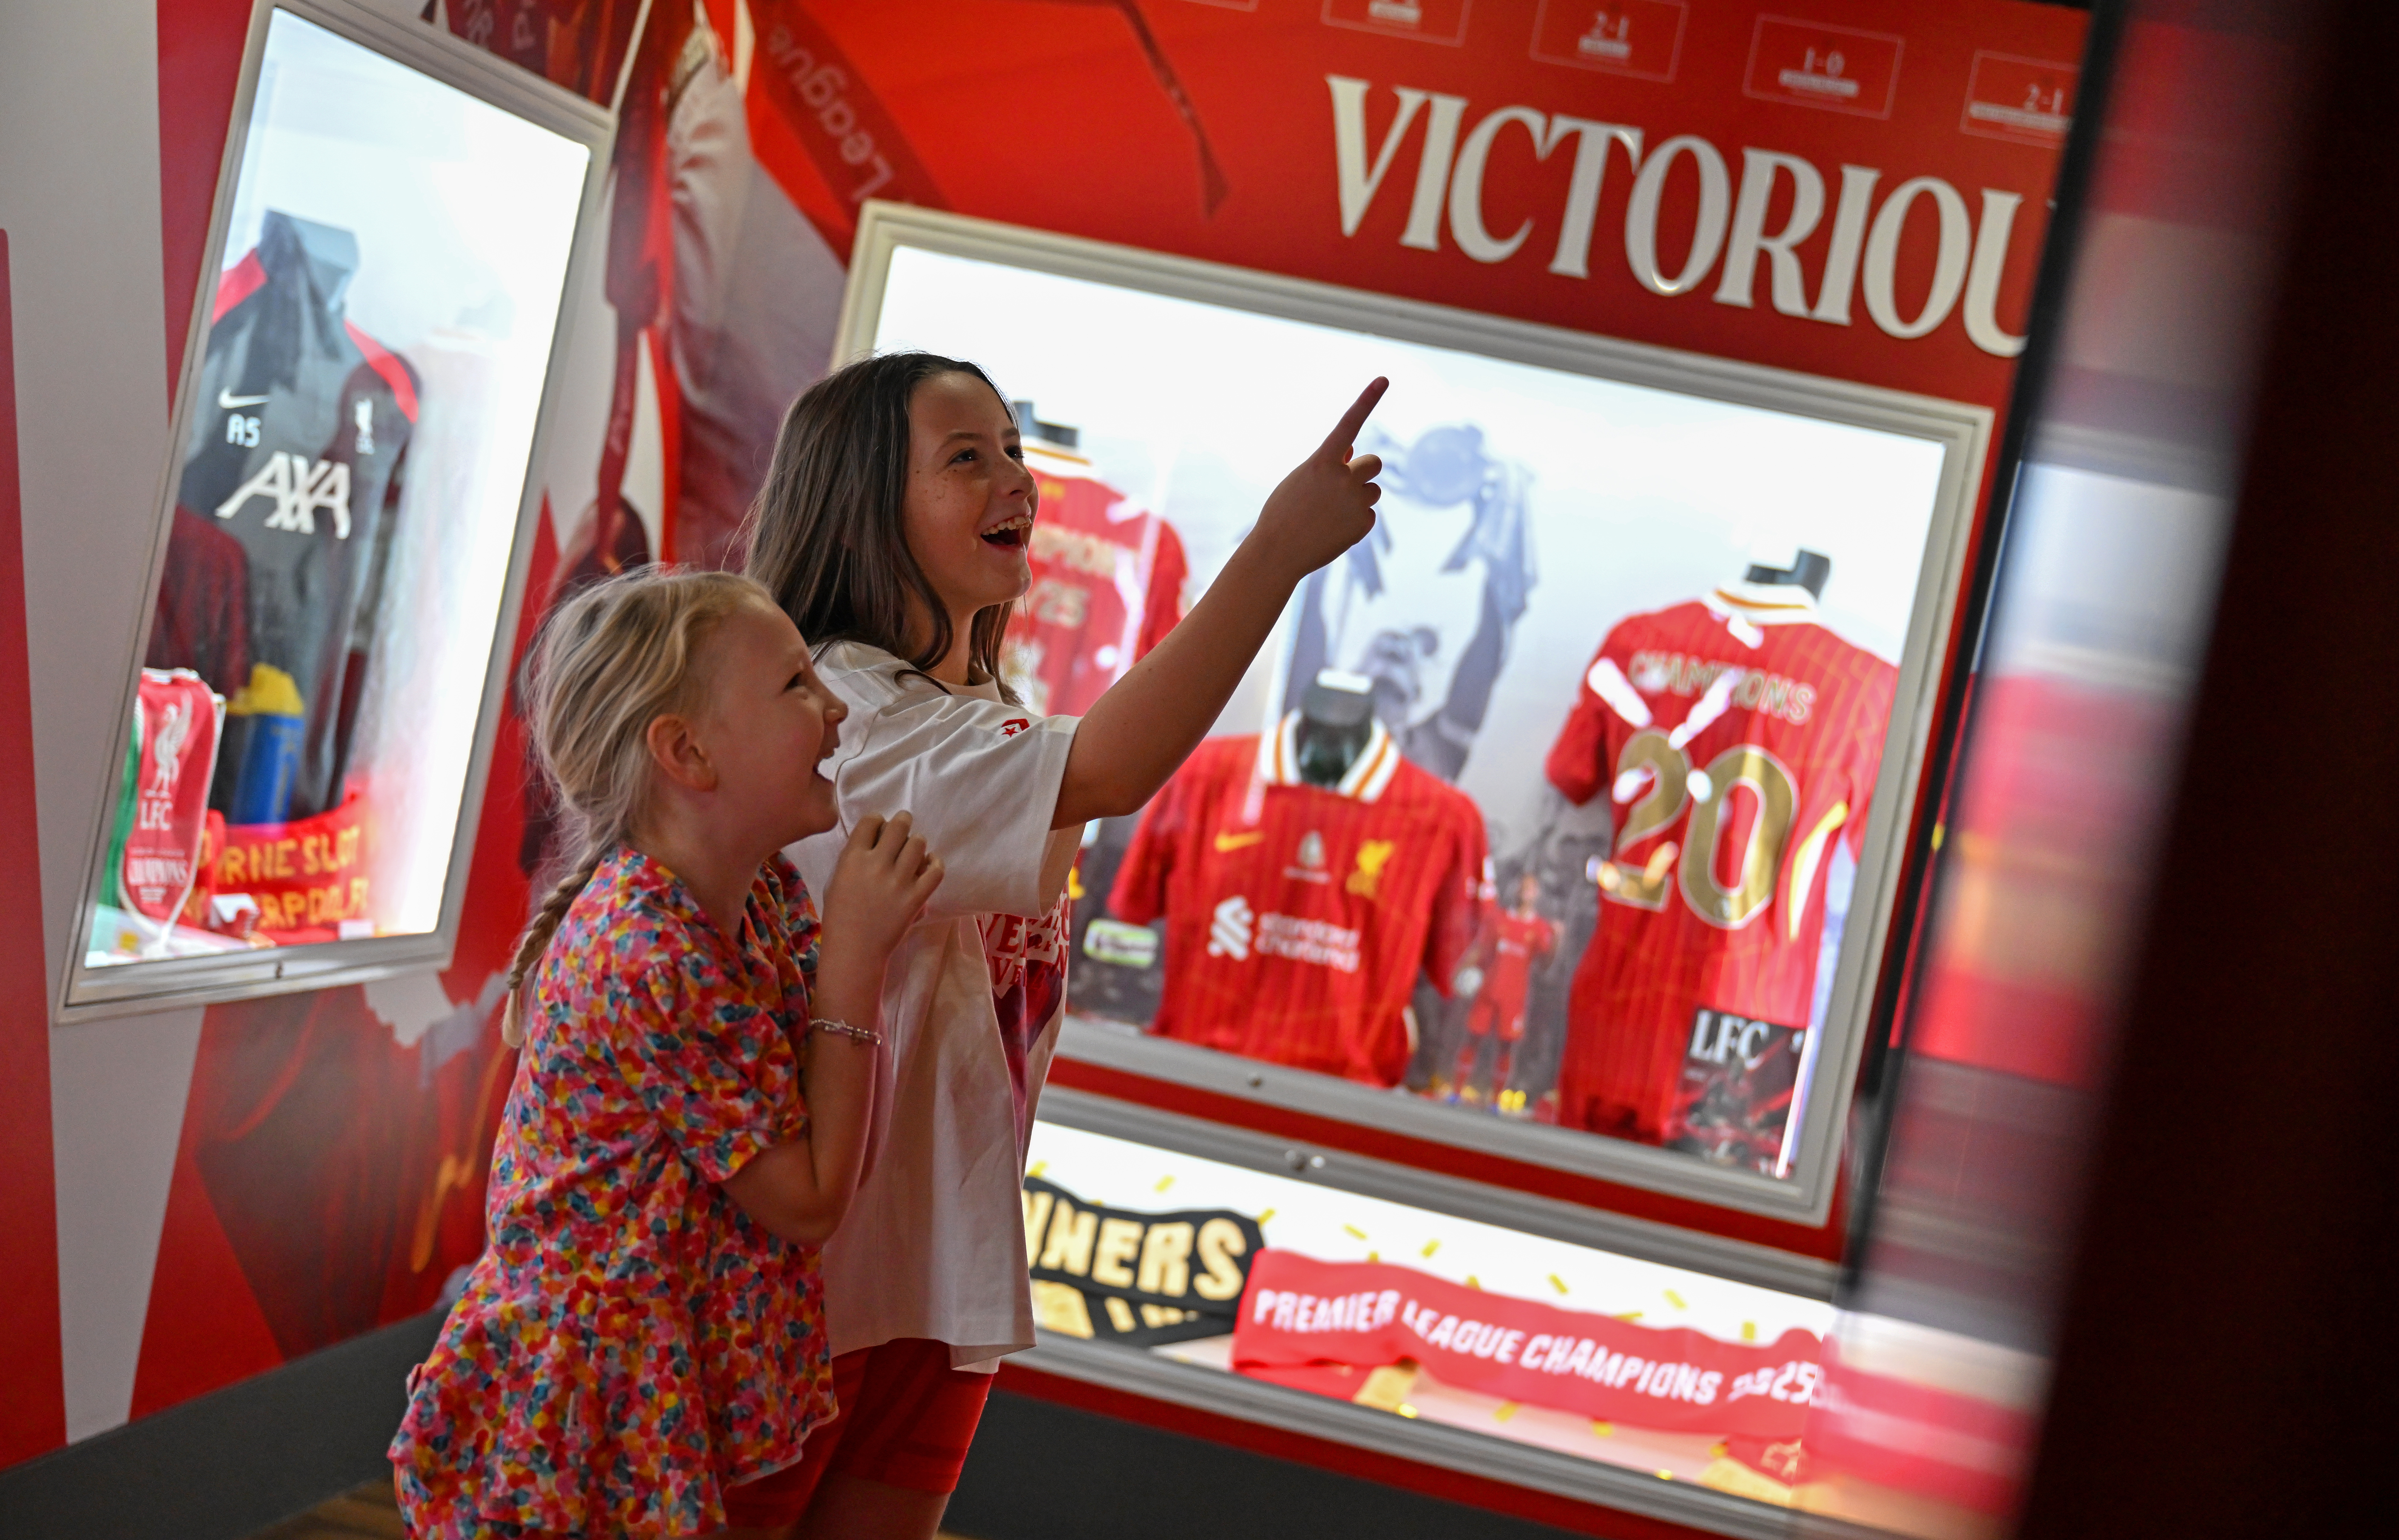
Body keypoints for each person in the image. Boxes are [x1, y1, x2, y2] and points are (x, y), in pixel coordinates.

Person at [742, 352, 1385, 1538]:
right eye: (967, 457)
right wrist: (1276, 553)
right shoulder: (845, 719)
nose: (1017, 482)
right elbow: (1112, 766)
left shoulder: (956, 715)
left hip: (934, 1267)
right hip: (812, 1282)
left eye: (1015, 451)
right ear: (861, 502)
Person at [387, 567, 944, 1539]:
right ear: (686, 751)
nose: (835, 705)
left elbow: (812, 1111)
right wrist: (858, 956)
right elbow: (809, 1196)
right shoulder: (646, 951)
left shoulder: (762, 895)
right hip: (587, 1425)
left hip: (661, 1387)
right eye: (794, 687)